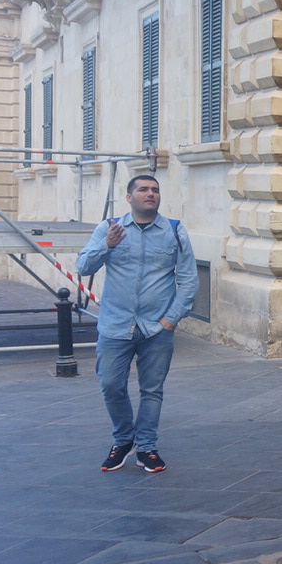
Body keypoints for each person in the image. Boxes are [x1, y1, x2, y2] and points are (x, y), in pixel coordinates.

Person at [76, 175, 197, 473]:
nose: (150, 194)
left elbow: (189, 279)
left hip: (156, 328)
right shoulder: (109, 228)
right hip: (115, 326)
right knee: (110, 385)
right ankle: (123, 439)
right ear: (129, 197)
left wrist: (171, 319)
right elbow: (83, 267)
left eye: (155, 190)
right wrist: (106, 245)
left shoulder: (174, 230)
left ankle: (146, 447)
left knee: (152, 390)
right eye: (143, 189)